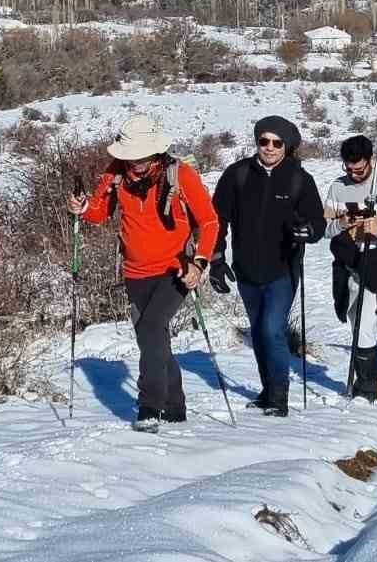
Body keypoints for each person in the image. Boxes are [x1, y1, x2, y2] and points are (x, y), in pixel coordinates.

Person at [68, 114, 220, 433]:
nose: (135, 162)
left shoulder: (181, 174)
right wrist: (82, 209)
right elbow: (99, 213)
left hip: (175, 268)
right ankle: (176, 407)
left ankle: (149, 406)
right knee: (153, 340)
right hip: (134, 271)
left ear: (155, 151)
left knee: (151, 328)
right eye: (129, 156)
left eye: (141, 155)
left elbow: (209, 221)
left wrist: (200, 263)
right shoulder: (115, 175)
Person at [209, 115, 323, 417]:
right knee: (259, 332)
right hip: (245, 269)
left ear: (287, 146)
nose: (269, 148)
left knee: (273, 330)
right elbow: (216, 219)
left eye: (277, 143)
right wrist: (216, 258)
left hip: (282, 269)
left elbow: (317, 222)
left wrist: (307, 231)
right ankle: (267, 389)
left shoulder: (300, 180)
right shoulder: (238, 175)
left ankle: (280, 396)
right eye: (264, 141)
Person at [323, 135, 377, 402]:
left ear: (371, 160)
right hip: (346, 265)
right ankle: (364, 382)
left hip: (376, 267)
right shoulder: (337, 189)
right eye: (348, 169)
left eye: (359, 169)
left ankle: (367, 389)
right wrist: (341, 222)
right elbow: (325, 230)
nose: (353, 174)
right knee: (354, 322)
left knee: (364, 324)